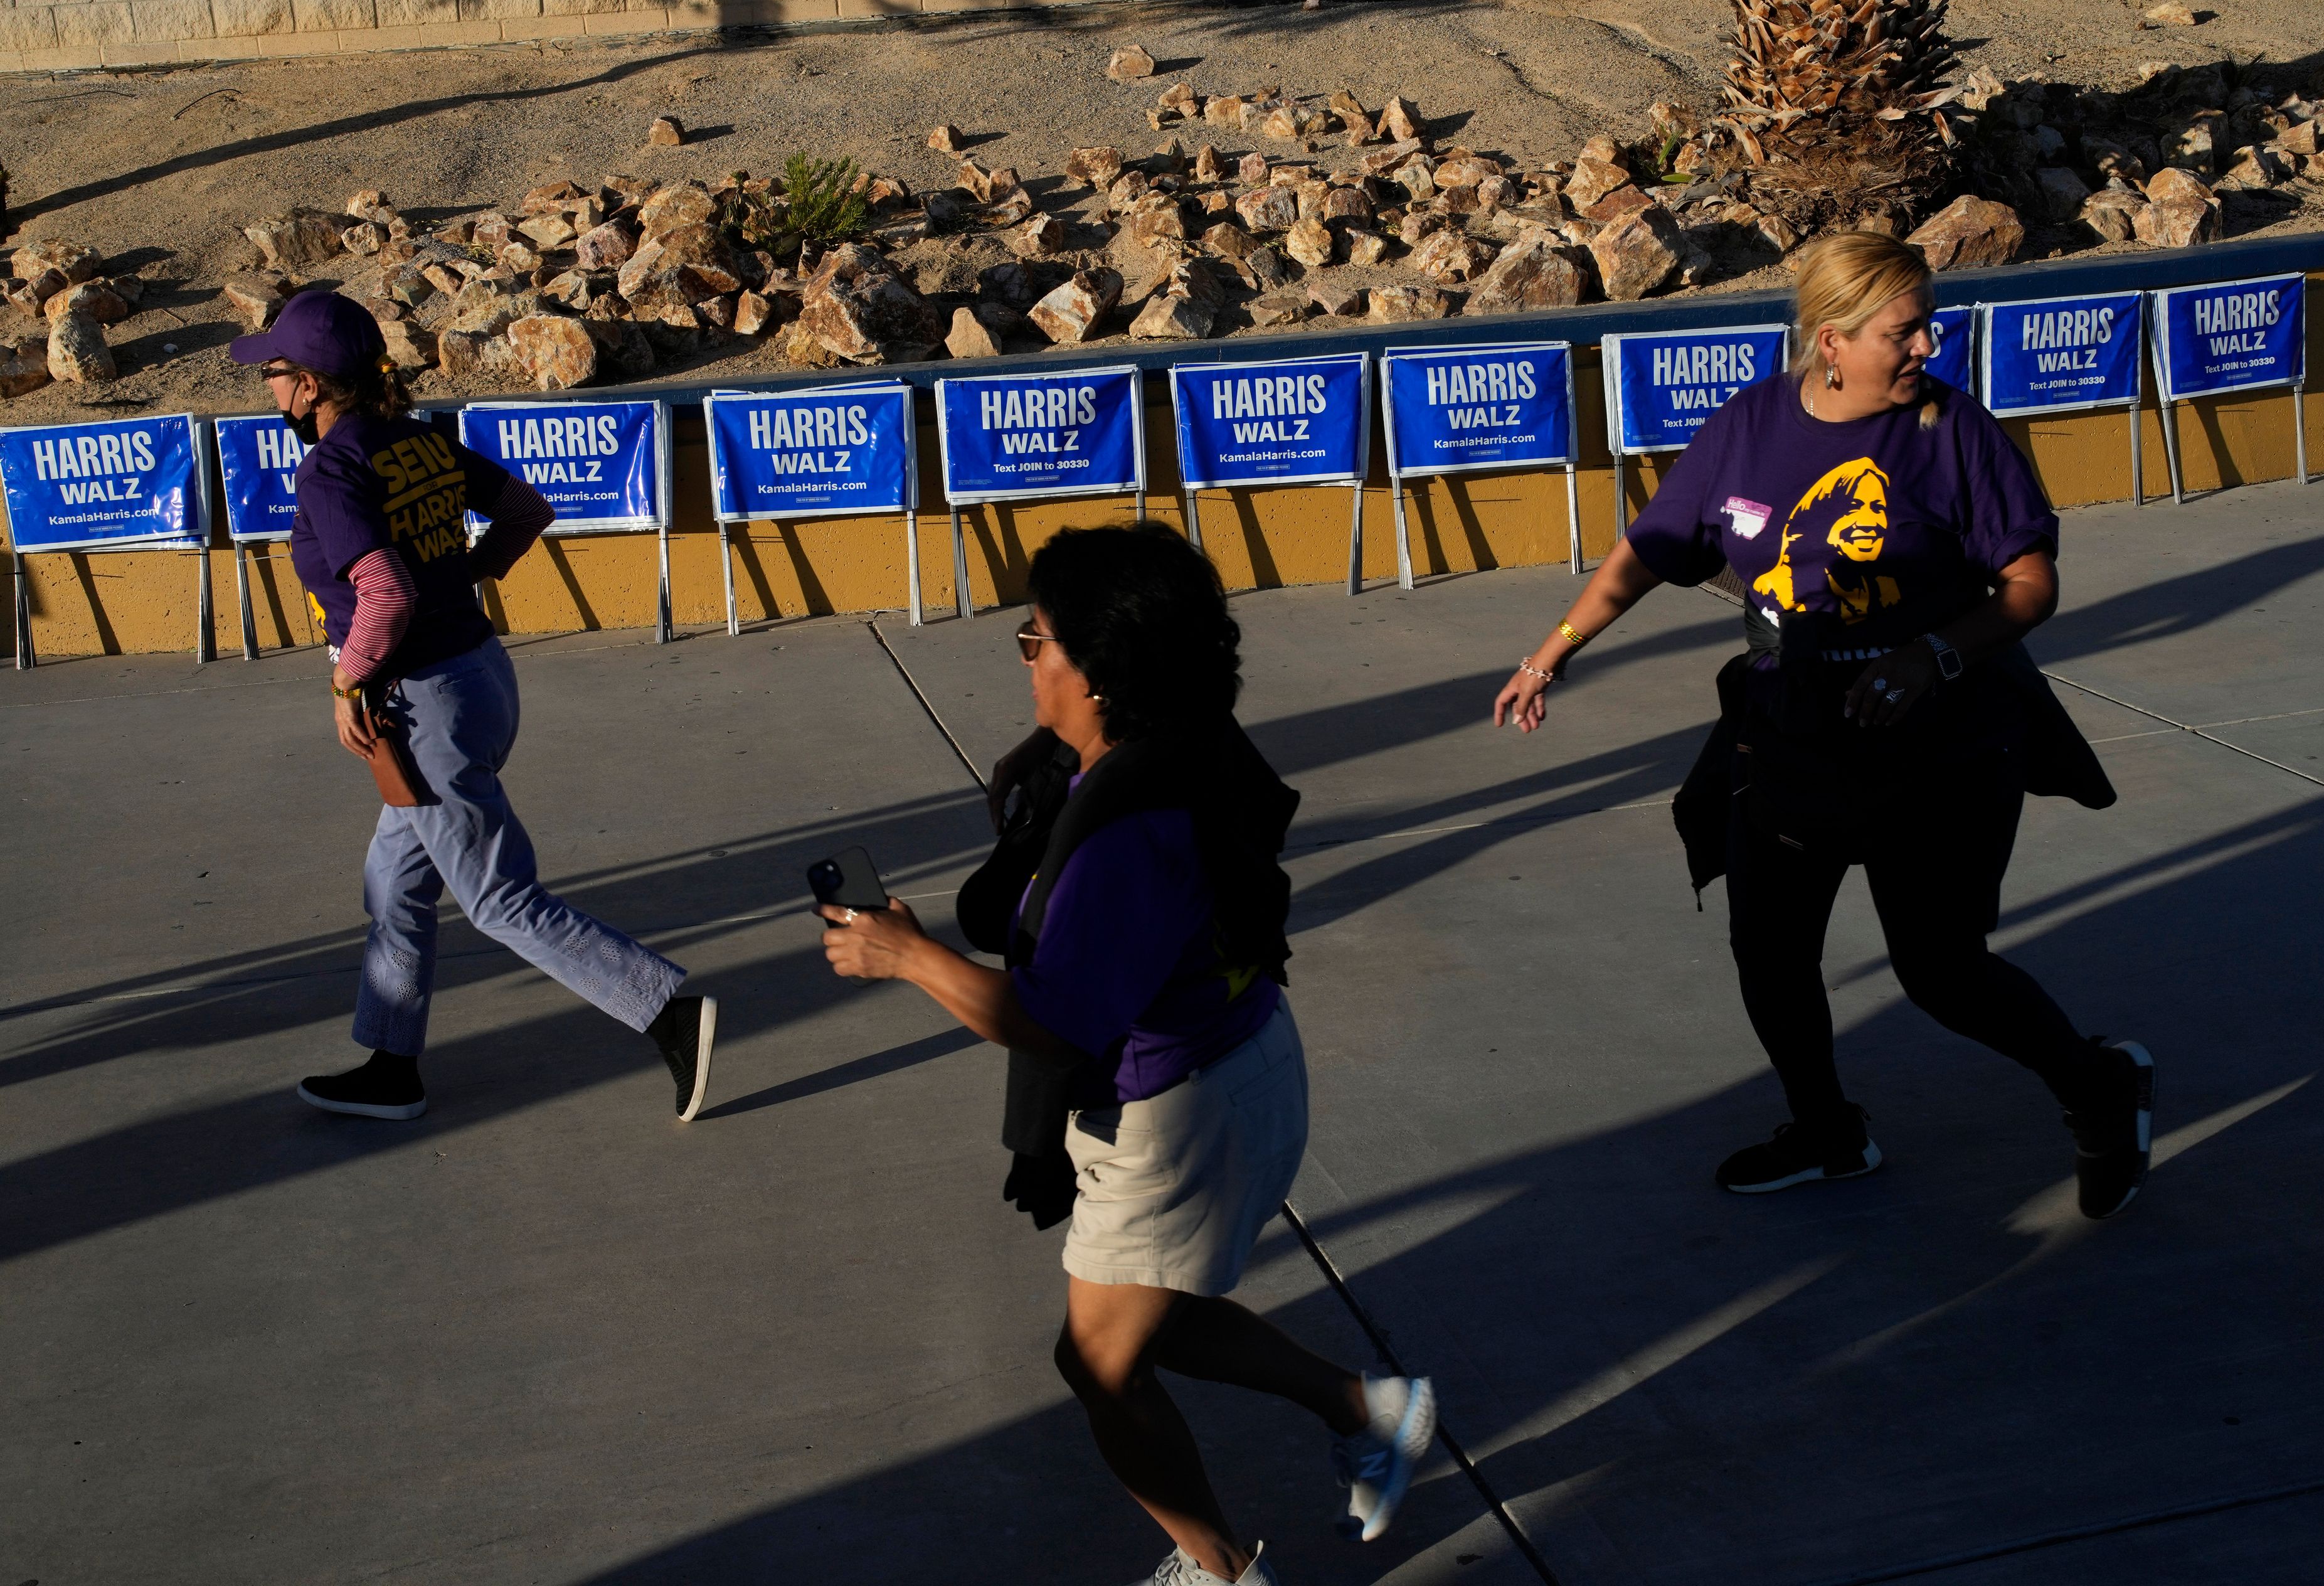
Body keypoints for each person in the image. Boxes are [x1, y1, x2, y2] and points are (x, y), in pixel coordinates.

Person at [1492, 232, 2156, 1221]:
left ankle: (2098, 1085)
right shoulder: (1750, 426)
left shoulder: (1951, 433)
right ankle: (1827, 1132)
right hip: (1788, 740)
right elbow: (1653, 547)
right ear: (1832, 340)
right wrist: (1551, 652)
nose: (1929, 344)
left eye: (1929, 322)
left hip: (1939, 753)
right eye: (1905, 329)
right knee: (1770, 951)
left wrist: (1926, 658)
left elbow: (2030, 584)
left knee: (1941, 972)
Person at [822, 524, 1437, 1586]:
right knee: (1151, 1316)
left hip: (1177, 1118)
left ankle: (1223, 1572)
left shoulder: (1124, 834)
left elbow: (1057, 1023)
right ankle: (1369, 1409)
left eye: (1034, 640)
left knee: (1101, 1366)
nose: (1026, 657)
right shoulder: (1187, 745)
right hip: (1239, 1063)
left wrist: (907, 956)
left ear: (1098, 674)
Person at [233, 290, 718, 1124]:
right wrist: (463, 576)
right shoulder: (416, 440)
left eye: (274, 372)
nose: (268, 387)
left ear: (312, 385)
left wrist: (349, 682)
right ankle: (391, 1068)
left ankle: (666, 1010)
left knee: (498, 899)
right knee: (393, 882)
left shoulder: (333, 469)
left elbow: (381, 595)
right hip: (480, 679)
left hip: (426, 711)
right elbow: (527, 510)